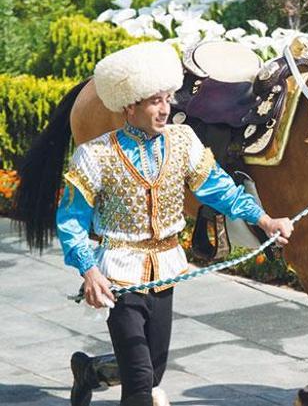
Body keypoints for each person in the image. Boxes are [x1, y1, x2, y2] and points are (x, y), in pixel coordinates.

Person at [56, 41, 294, 406]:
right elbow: (71, 221)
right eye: (155, 101)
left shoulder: (183, 141)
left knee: (152, 373)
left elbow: (219, 189)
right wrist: (89, 270)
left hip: (165, 273)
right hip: (118, 276)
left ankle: (91, 371)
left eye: (168, 100)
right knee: (139, 385)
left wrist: (264, 219)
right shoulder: (95, 155)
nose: (166, 109)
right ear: (130, 105)